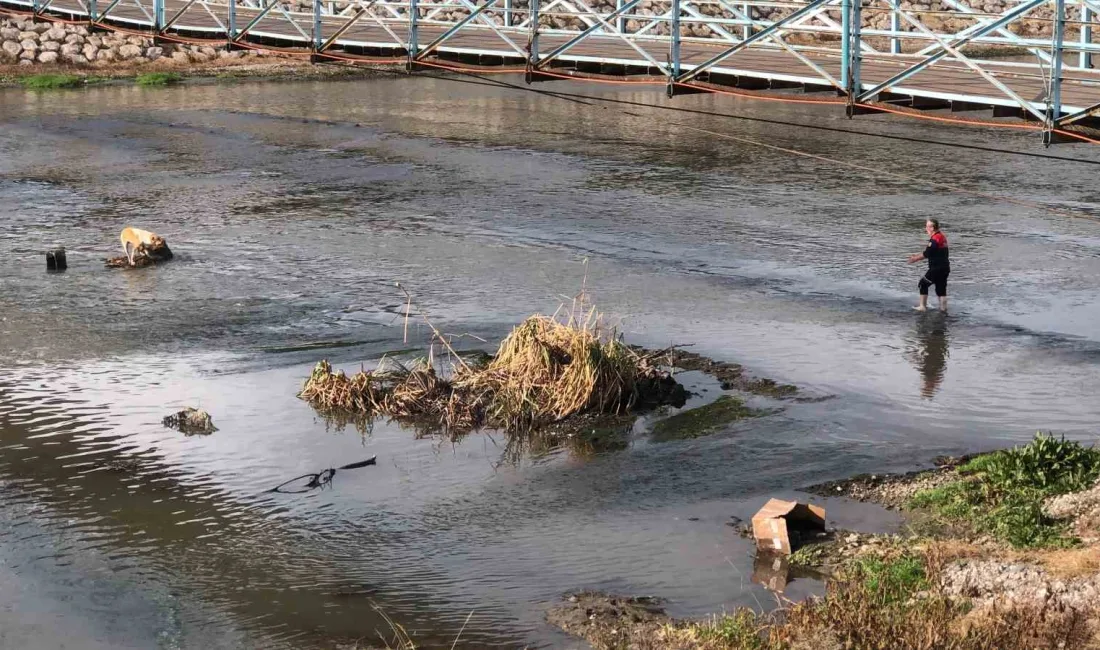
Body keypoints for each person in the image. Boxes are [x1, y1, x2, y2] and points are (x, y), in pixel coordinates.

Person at [908, 219, 950, 312]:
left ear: (932, 228)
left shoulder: (935, 239)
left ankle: (922, 307)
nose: (925, 228)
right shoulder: (942, 236)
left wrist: (914, 259)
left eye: (927, 226)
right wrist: (917, 255)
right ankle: (943, 310)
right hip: (945, 268)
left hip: (936, 268)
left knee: (923, 284)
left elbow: (928, 253)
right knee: (941, 290)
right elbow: (931, 252)